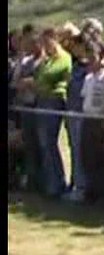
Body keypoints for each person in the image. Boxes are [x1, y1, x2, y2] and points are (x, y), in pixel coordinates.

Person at [33, 27, 73, 198]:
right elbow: (39, 76)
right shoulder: (47, 60)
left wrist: (41, 84)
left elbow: (49, 77)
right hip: (42, 101)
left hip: (54, 101)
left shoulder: (63, 58)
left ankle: (58, 183)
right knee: (44, 143)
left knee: (50, 142)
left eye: (45, 41)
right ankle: (50, 181)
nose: (43, 45)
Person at [10, 27, 45, 192]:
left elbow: (39, 82)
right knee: (27, 144)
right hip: (22, 105)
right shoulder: (24, 61)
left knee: (39, 144)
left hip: (37, 105)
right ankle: (29, 179)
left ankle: (41, 179)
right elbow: (15, 82)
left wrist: (28, 82)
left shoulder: (42, 60)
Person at [80, 41, 104, 203]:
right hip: (88, 118)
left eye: (93, 57)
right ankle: (91, 190)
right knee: (87, 155)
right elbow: (84, 98)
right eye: (88, 58)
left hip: (101, 119)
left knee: (101, 156)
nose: (90, 61)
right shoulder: (88, 78)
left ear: (101, 57)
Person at [63, 33, 90, 203]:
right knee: (74, 150)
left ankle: (82, 188)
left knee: (81, 152)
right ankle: (74, 183)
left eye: (76, 46)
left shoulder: (89, 68)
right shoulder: (75, 66)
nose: (73, 49)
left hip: (83, 114)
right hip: (71, 112)